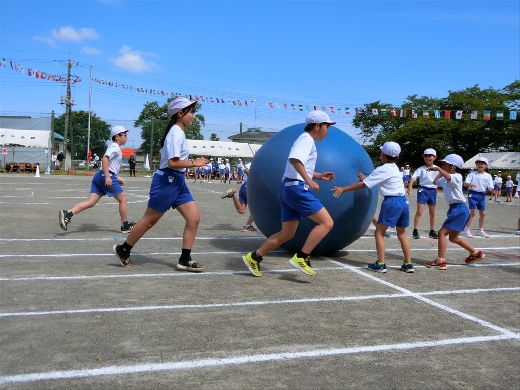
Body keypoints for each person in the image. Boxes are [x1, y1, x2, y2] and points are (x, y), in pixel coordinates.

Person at [113, 97, 208, 270]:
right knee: (149, 221)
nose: (194, 116)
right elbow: (172, 163)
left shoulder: (178, 132)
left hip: (177, 181)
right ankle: (123, 249)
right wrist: (195, 163)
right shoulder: (175, 133)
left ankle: (185, 259)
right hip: (167, 181)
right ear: (180, 113)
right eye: (192, 112)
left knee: (194, 219)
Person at [242, 111, 335, 277]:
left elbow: (299, 166)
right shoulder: (306, 139)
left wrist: (319, 176)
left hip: (289, 188)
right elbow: (295, 160)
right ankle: (302, 256)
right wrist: (308, 180)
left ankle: (254, 257)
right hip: (297, 188)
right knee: (327, 223)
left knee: (287, 233)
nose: (328, 130)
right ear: (318, 126)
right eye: (327, 126)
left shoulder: (306, 140)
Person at [333, 141, 413, 273]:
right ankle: (408, 264)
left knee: (379, 233)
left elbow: (363, 185)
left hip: (391, 202)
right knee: (401, 234)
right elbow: (379, 180)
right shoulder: (395, 168)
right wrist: (368, 178)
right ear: (397, 157)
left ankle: (381, 264)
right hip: (403, 202)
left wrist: (343, 189)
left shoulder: (382, 169)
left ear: (382, 154)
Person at [59, 126, 135, 233]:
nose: (126, 137)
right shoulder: (115, 147)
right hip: (105, 176)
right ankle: (125, 226)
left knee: (91, 202)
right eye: (124, 135)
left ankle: (68, 214)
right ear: (117, 137)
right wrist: (109, 177)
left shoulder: (114, 147)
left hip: (99, 175)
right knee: (123, 200)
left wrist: (116, 178)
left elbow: (110, 165)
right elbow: (105, 159)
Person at [426, 154, 485, 269]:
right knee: (453, 238)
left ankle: (441, 260)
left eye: (445, 164)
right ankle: (476, 253)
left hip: (459, 208)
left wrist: (438, 168)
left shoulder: (457, 176)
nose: (442, 165)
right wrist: (440, 171)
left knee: (442, 233)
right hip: (457, 209)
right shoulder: (444, 178)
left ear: (453, 166)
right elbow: (434, 182)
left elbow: (449, 178)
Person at [407, 148, 439, 239]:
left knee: (432, 212)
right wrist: (410, 186)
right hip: (423, 190)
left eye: (430, 156)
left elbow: (443, 177)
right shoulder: (421, 169)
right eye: (426, 156)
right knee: (419, 211)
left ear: (434, 157)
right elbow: (413, 178)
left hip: (433, 190)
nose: (427, 158)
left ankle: (432, 231)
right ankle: (415, 230)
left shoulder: (437, 169)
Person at [463, 157, 494, 238]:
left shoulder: (488, 176)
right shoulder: (472, 174)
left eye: (482, 163)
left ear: (486, 166)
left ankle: (480, 230)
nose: (480, 165)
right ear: (476, 165)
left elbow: (490, 186)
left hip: (482, 195)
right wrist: (469, 184)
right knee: (473, 213)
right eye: (478, 163)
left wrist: (491, 189)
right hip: (473, 194)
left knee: (483, 214)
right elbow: (465, 183)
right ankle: (467, 230)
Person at [222, 161, 256, 232]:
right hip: (250, 187)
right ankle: (247, 226)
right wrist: (256, 178)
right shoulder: (256, 162)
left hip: (244, 187)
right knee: (258, 210)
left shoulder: (257, 162)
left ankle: (233, 194)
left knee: (241, 210)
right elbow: (246, 170)